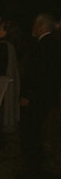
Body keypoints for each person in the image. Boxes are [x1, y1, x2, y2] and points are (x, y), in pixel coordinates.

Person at [19, 13, 61, 170]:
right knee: (36, 129)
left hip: (37, 97)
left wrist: (27, 95)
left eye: (35, 24)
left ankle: (33, 162)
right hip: (46, 96)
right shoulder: (53, 44)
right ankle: (35, 161)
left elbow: (38, 75)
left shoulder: (44, 45)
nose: (33, 28)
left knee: (31, 129)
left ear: (41, 26)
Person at [0, 18, 21, 139]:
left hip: (1, 86)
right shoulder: (5, 45)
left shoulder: (3, 46)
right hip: (3, 85)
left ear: (6, 31)